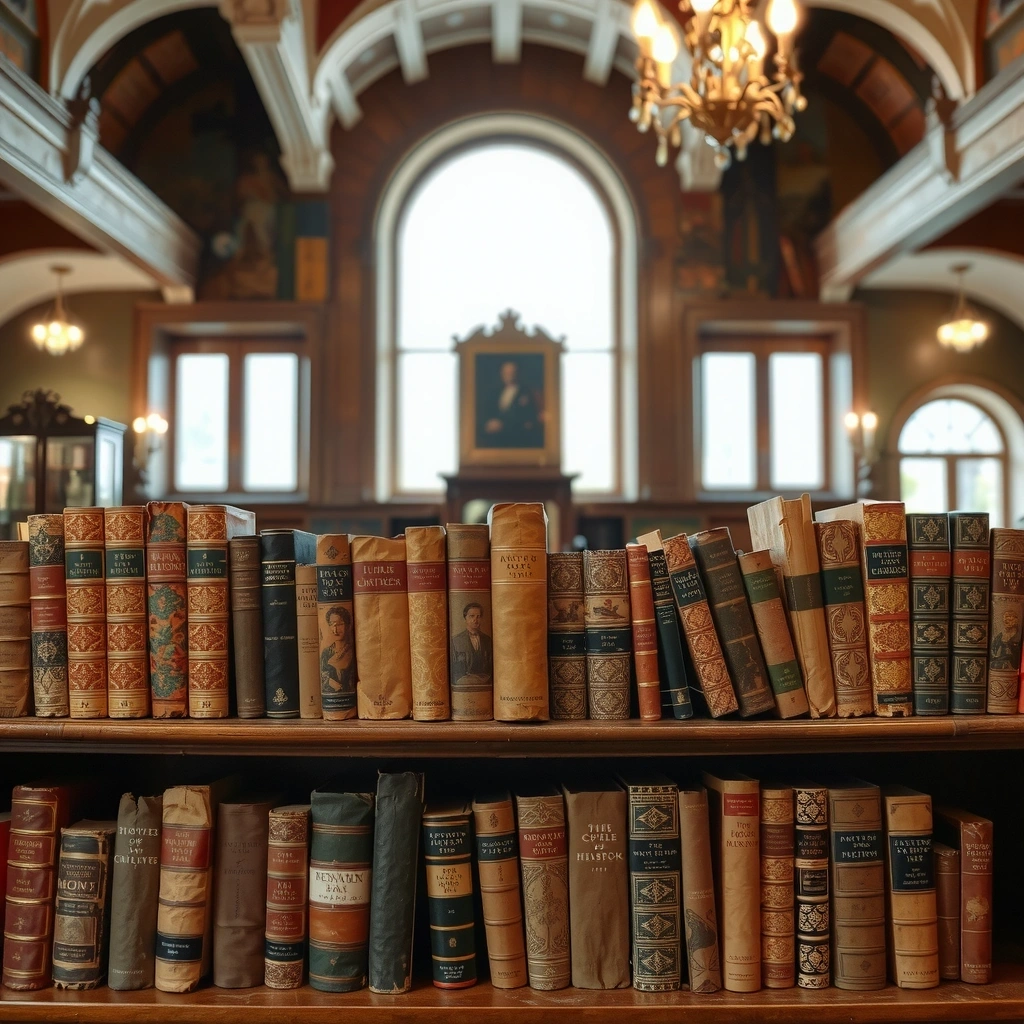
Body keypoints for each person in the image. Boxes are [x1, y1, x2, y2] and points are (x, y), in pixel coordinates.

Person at [481, 359, 542, 448]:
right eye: (506, 373)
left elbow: (529, 419)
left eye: (512, 372)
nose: (509, 375)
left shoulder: (527, 392)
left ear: (518, 373)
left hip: (518, 439)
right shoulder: (495, 393)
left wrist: (503, 425)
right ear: (501, 374)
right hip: (496, 441)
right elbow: (487, 412)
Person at [450, 602, 493, 682]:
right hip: (464, 681)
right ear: (465, 618)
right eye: (471, 616)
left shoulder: (487, 640)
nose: (475, 620)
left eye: (478, 617)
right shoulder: (456, 641)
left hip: (485, 681)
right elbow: (454, 669)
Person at [320, 605, 355, 698]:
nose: (335, 630)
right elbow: (322, 678)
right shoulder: (326, 653)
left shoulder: (353, 650)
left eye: (339, 624)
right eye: (332, 624)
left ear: (348, 625)